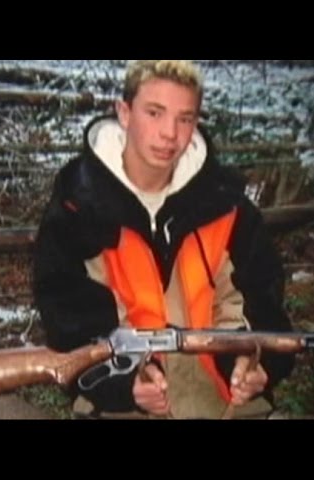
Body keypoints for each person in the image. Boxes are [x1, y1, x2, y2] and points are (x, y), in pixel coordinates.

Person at [32, 60, 294, 419]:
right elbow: (69, 323)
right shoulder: (77, 207)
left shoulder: (228, 206)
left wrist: (253, 365)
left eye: (185, 118)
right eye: (154, 113)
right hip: (119, 407)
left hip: (224, 404)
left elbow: (262, 303)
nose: (170, 133)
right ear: (124, 113)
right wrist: (127, 385)